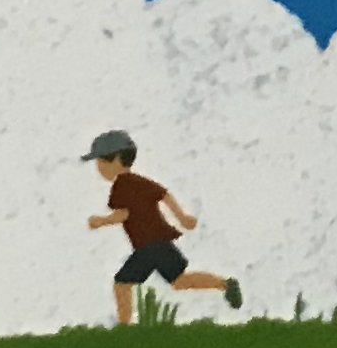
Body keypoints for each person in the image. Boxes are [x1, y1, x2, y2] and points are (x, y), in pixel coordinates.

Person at [83, 132, 240, 326]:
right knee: (179, 281)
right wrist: (182, 217)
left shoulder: (121, 186)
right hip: (159, 243)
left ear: (116, 159)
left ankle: (124, 327)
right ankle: (224, 284)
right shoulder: (139, 181)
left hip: (149, 245)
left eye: (100, 161)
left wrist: (101, 221)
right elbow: (164, 194)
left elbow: (124, 214)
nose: (98, 167)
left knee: (122, 284)